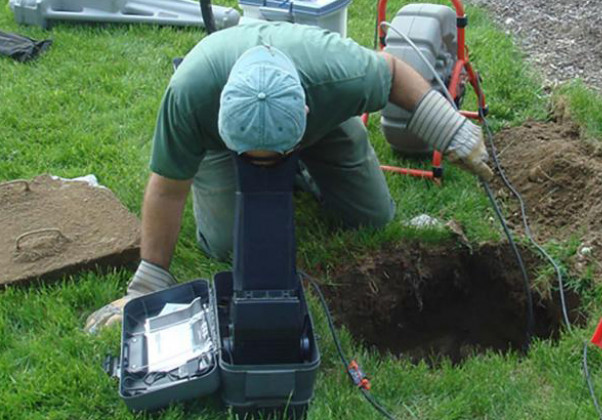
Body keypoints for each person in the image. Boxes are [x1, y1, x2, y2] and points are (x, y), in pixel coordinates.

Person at [85, 20, 493, 333]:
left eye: (276, 158)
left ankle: (305, 169)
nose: (266, 170)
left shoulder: (341, 73)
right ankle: (267, 165)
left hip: (326, 126)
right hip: (222, 147)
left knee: (374, 221)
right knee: (225, 244)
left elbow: (395, 73)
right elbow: (167, 189)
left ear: (305, 116)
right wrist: (148, 282)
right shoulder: (191, 96)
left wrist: (452, 131)